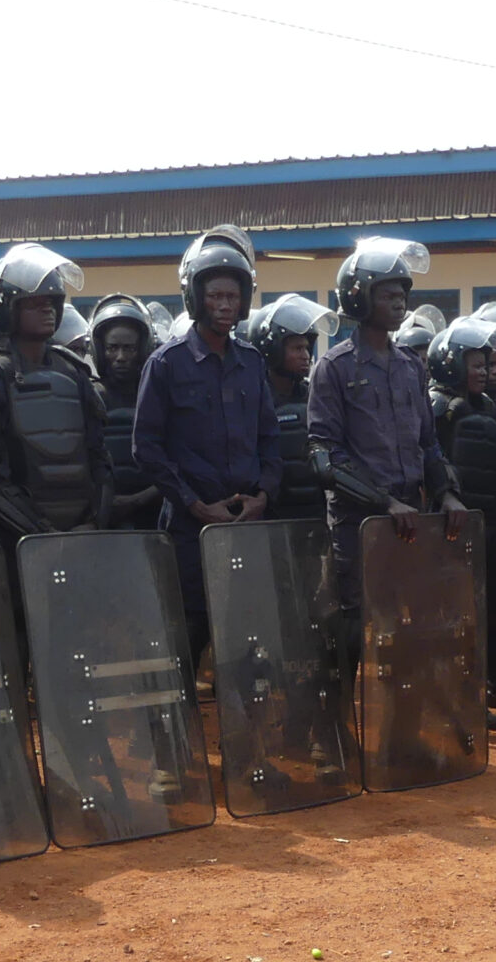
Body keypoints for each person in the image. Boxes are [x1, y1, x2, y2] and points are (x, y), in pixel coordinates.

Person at [131, 229, 279, 665]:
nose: (225, 305)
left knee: (247, 630)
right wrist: (195, 504)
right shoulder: (166, 363)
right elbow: (146, 447)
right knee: (188, 630)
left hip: (245, 522)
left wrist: (263, 495)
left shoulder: (252, 362)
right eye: (215, 296)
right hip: (188, 525)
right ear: (196, 298)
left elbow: (270, 439)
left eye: (233, 296)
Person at [307, 235, 470, 625]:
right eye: (387, 295)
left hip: (413, 516)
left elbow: (428, 442)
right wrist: (385, 503)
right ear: (359, 298)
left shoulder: (411, 366)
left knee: (412, 622)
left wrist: (447, 493)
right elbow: (325, 456)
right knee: (360, 626)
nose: (399, 303)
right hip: (359, 523)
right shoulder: (334, 368)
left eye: (402, 295)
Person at [0, 245, 112, 544]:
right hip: (13, 541)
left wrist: (95, 522)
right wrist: (41, 533)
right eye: (34, 303)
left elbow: (100, 458)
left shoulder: (74, 371)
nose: (47, 309)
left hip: (83, 538)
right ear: (5, 308)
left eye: (51, 301)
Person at [427, 315, 496, 695]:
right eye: (476, 364)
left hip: (490, 527)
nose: (483, 371)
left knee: (492, 612)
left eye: (486, 365)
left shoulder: (491, 406)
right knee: (451, 613)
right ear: (451, 363)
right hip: (449, 530)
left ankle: (490, 683)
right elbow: (427, 462)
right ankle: (451, 692)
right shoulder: (437, 406)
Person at [256, 294, 332, 522]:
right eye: (297, 348)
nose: (306, 356)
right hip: (268, 518)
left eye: (307, 348)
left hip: (315, 517)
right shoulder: (253, 398)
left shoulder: (313, 396)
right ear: (272, 348)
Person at [89, 295, 162, 529]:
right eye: (112, 348)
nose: (120, 357)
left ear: (142, 350)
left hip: (157, 512)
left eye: (129, 348)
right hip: (100, 515)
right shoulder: (86, 395)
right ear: (100, 350)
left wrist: (139, 500)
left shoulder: (160, 395)